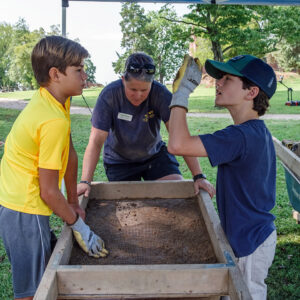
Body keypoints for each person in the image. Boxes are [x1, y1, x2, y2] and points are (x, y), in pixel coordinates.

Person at [0, 36, 108, 300]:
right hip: (24, 208)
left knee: (45, 272)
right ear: (55, 74)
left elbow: (69, 154)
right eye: (79, 70)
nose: (85, 76)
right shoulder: (51, 119)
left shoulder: (57, 99)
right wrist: (80, 227)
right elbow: (48, 191)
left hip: (25, 201)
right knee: (34, 291)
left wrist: (73, 201)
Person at [168, 54, 277, 300]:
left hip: (250, 243)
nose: (218, 83)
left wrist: (181, 93)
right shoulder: (253, 131)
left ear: (251, 92)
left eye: (227, 79)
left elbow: (176, 144)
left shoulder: (240, 137)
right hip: (251, 235)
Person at [77, 52, 215, 198]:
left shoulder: (161, 93)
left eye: (144, 90)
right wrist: (85, 181)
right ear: (123, 80)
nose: (138, 95)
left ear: (152, 83)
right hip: (119, 161)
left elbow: (180, 137)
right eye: (133, 90)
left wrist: (199, 176)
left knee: (173, 196)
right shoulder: (109, 95)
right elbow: (96, 141)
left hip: (154, 155)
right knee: (130, 207)